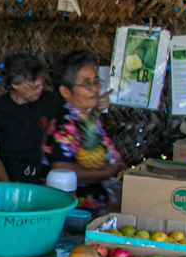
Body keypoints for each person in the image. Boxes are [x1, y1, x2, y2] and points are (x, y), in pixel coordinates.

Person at [43, 50, 126, 210]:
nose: (95, 88)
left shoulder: (88, 119)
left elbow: (114, 158)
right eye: (87, 84)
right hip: (73, 213)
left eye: (96, 81)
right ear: (66, 91)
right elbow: (61, 171)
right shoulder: (65, 125)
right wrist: (108, 172)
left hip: (94, 209)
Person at [0, 53, 61, 183]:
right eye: (34, 86)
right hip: (7, 177)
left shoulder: (51, 102)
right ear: (15, 84)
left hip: (42, 178)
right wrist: (9, 187)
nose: (40, 86)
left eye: (41, 80)